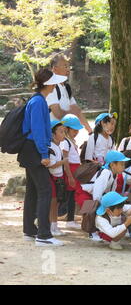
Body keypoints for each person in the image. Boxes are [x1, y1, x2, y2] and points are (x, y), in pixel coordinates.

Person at [18, 69, 67, 246]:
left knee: (33, 190)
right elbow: (38, 131)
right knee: (45, 190)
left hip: (29, 150)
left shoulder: (37, 99)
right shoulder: (38, 102)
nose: (55, 85)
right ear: (48, 83)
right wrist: (44, 155)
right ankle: (44, 235)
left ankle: (30, 230)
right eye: (54, 82)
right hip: (35, 151)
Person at [75, 150, 130, 241]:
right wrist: (103, 205)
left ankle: (99, 230)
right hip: (84, 192)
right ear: (112, 165)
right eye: (121, 164)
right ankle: (91, 232)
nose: (123, 167)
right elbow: (97, 194)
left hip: (92, 193)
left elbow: (111, 192)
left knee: (100, 208)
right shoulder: (105, 173)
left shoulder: (114, 174)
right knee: (92, 209)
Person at [46, 54, 92, 133]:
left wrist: (90, 132)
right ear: (55, 69)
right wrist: (71, 112)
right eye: (65, 66)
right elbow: (58, 114)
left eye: (69, 66)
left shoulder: (66, 88)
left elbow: (78, 112)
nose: (68, 69)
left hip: (63, 135)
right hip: (52, 136)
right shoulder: (51, 88)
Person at [58, 114, 84, 229]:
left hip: (74, 171)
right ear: (66, 129)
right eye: (74, 129)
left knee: (72, 196)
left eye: (77, 130)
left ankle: (70, 218)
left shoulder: (70, 141)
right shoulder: (65, 142)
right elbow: (65, 160)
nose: (76, 132)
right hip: (70, 171)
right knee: (68, 195)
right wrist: (70, 176)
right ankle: (68, 219)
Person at [48, 120, 68, 237]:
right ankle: (52, 227)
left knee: (56, 203)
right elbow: (51, 164)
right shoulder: (51, 147)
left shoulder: (57, 146)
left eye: (64, 132)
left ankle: (55, 226)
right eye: (61, 132)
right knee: (53, 203)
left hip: (58, 178)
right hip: (53, 178)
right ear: (53, 134)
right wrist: (63, 161)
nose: (63, 134)